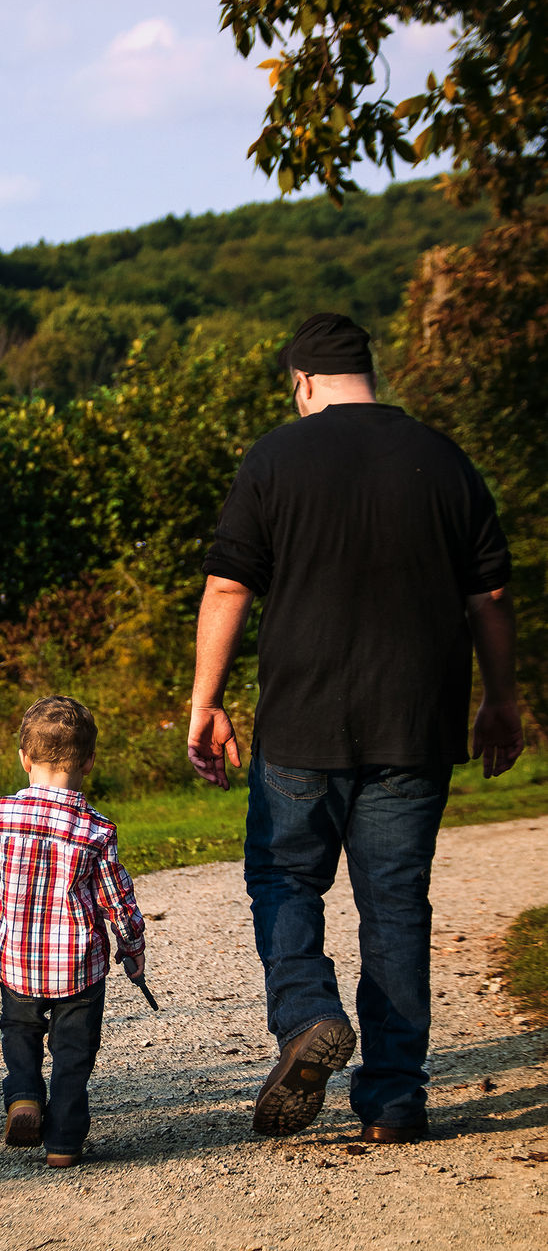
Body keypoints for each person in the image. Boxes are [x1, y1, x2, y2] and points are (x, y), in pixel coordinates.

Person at [187, 313, 523, 1144]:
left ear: (302, 382)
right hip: (416, 724)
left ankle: (308, 1014)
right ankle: (396, 1100)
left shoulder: (275, 456)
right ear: (369, 374)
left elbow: (228, 587)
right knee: (396, 905)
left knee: (284, 878)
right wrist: (501, 700)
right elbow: (489, 597)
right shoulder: (443, 458)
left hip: (302, 722)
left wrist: (206, 701)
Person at [0, 694, 146, 1167]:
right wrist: (132, 945)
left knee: (19, 1033)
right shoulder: (96, 830)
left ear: (24, 758)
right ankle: (63, 1143)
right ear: (90, 761)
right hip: (77, 968)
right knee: (74, 1054)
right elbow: (117, 899)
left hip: (16, 961)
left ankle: (23, 1097)